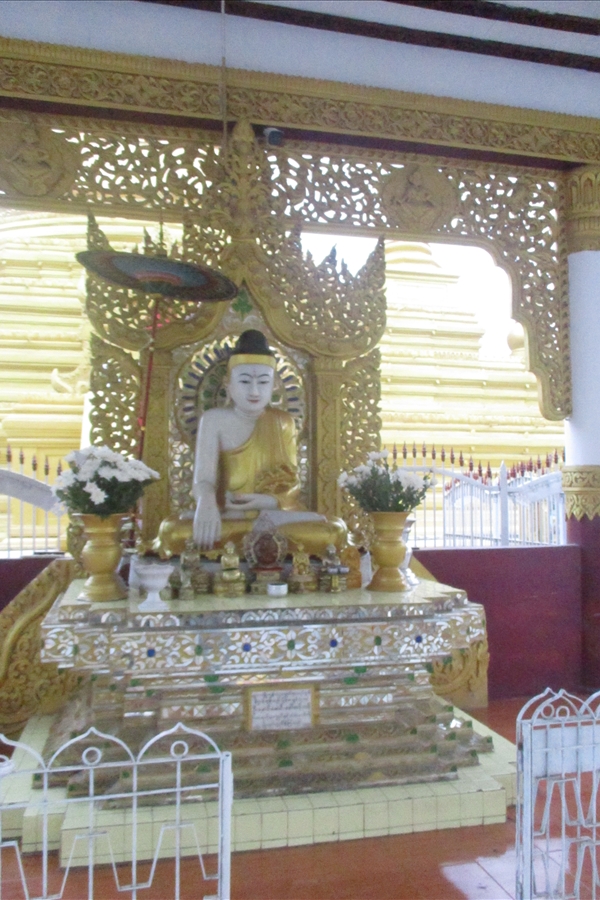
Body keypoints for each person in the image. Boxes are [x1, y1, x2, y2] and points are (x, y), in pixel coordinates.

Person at [155, 330, 346, 557]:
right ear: (228, 384)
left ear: (274, 385)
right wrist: (207, 504)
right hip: (228, 515)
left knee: (334, 530)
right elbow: (203, 479)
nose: (254, 391)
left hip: (274, 515)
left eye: (263, 382)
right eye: (245, 381)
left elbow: (291, 483)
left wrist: (268, 501)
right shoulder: (213, 420)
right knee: (173, 531)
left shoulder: (283, 422)